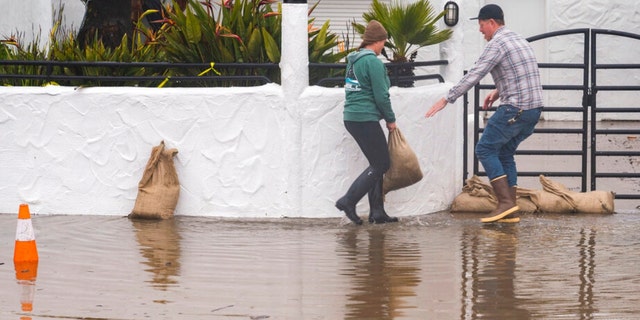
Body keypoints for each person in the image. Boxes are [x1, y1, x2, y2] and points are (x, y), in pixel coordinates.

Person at [424, 4, 543, 223]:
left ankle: (505, 203)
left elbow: (475, 74)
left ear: (491, 23)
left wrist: (447, 98)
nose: (480, 31)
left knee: (485, 148)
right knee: (504, 153)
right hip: (533, 111)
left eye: (481, 25)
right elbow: (522, 73)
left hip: (515, 108)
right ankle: (511, 208)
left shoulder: (497, 43)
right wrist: (498, 92)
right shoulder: (519, 39)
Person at [335, 20, 399, 225]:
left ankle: (377, 212)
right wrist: (391, 119)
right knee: (382, 163)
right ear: (377, 41)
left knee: (376, 164)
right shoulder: (372, 61)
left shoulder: (354, 60)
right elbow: (382, 95)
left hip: (353, 117)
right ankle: (348, 200)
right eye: (383, 42)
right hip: (364, 118)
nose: (384, 47)